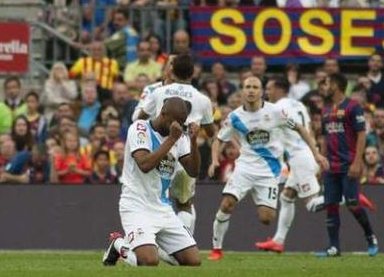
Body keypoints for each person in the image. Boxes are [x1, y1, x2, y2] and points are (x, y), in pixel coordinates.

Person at [207, 76, 328, 261]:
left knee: (266, 219)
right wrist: (214, 160)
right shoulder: (235, 116)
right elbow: (218, 139)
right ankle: (216, 249)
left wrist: (317, 154)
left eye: (255, 87)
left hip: (269, 173)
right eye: (247, 87)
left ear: (262, 91)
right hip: (244, 169)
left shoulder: (276, 112)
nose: (251, 90)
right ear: (242, 91)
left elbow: (301, 129)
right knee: (227, 204)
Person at [102, 97, 201, 267]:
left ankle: (140, 245)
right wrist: (171, 140)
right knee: (149, 261)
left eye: (182, 123)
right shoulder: (139, 129)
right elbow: (145, 164)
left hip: (163, 207)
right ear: (163, 114)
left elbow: (193, 170)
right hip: (136, 205)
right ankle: (118, 243)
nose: (177, 126)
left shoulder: (181, 137)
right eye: (174, 121)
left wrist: (193, 141)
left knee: (193, 262)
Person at [132, 54, 213, 235]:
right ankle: (180, 241)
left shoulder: (157, 92)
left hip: (165, 149)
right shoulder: (201, 98)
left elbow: (139, 119)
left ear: (172, 70)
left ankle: (174, 242)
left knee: (168, 198)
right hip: (181, 148)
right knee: (180, 201)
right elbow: (211, 132)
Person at [255, 77, 326, 253]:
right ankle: (278, 241)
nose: (267, 92)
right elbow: (308, 130)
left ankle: (347, 197)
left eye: (269, 88)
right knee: (287, 196)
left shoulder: (278, 108)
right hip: (305, 153)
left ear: (280, 89)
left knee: (311, 204)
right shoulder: (299, 105)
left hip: (300, 158)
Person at [315, 72, 379, 257]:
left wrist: (357, 162)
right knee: (331, 205)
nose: (324, 87)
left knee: (352, 203)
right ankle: (334, 247)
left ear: (336, 85)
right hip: (331, 165)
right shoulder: (326, 109)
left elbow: (361, 134)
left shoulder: (353, 107)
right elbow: (326, 137)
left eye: (326, 83)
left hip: (348, 164)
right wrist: (322, 161)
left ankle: (370, 236)